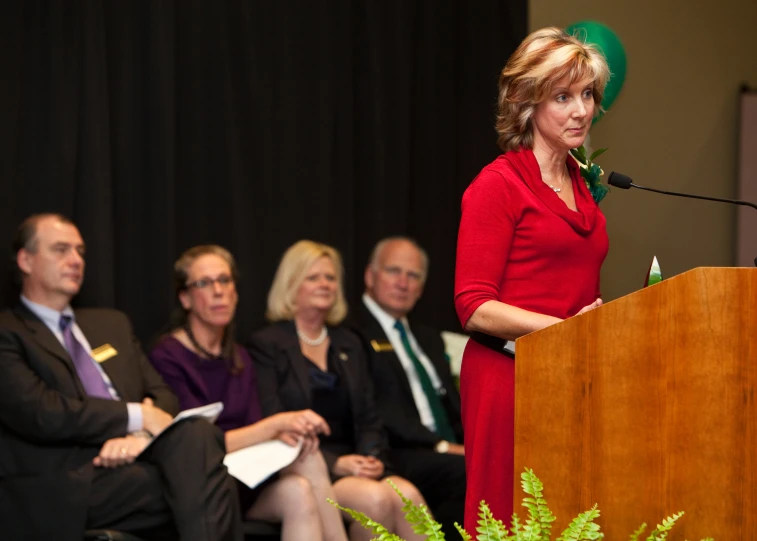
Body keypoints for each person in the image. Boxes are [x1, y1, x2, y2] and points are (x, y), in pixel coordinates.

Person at [0, 214, 241, 541]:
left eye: (80, 252)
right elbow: (42, 411)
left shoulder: (110, 324)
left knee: (197, 434)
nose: (75, 261)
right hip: (68, 480)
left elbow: (163, 395)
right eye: (61, 250)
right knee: (212, 483)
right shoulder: (8, 332)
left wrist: (137, 437)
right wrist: (136, 416)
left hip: (136, 456)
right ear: (25, 260)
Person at [454, 27, 610, 530]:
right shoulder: (497, 185)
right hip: (508, 379)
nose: (580, 110)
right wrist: (563, 332)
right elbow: (473, 305)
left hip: (571, 378)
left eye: (587, 94)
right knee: (507, 518)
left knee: (569, 519)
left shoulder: (580, 184)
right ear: (526, 102)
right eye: (562, 97)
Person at [148, 244, 348, 541]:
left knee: (301, 481)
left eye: (225, 281)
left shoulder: (239, 355)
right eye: (204, 283)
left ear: (236, 292)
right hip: (206, 486)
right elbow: (196, 446)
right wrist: (275, 425)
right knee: (303, 464)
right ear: (185, 298)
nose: (218, 291)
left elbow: (254, 426)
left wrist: (283, 434)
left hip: (250, 475)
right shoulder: (167, 356)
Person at [247, 240, 427, 541]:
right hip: (303, 464)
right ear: (291, 284)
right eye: (313, 277)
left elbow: (370, 416)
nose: (325, 285)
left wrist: (372, 456)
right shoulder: (268, 344)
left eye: (330, 278)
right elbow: (274, 420)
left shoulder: (349, 343)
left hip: (356, 461)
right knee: (375, 500)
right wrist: (337, 464)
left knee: (409, 496)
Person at [351, 236, 466, 534]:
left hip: (446, 448)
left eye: (413, 275)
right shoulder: (351, 333)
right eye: (393, 271)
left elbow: (451, 403)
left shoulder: (428, 337)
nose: (403, 282)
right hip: (396, 451)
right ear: (370, 276)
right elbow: (375, 408)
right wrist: (441, 446)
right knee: (466, 473)